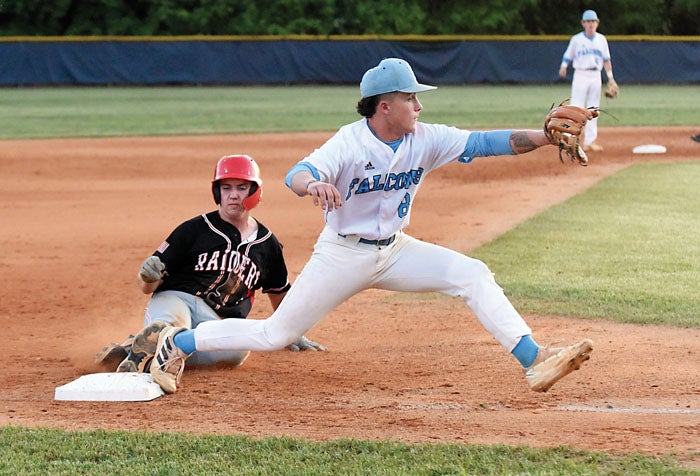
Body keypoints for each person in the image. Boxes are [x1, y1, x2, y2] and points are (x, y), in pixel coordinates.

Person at [149, 58, 594, 395]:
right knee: (276, 333)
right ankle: (179, 343)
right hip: (343, 254)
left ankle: (534, 361)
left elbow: (484, 142)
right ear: (385, 106)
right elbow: (297, 173)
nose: (419, 105)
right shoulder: (350, 141)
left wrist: (542, 135)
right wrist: (315, 186)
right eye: (410, 98)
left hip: (395, 250)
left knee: (471, 273)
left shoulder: (425, 137)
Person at [96, 154, 325, 373]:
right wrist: (146, 278)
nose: (233, 195)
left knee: (236, 353)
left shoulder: (268, 245)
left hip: (219, 321)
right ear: (217, 192)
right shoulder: (194, 229)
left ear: (255, 192)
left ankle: (136, 351)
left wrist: (292, 332)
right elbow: (149, 288)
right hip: (177, 299)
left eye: (241, 187)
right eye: (226, 188)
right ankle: (152, 345)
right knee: (171, 326)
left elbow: (279, 292)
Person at [558, 9, 617, 152]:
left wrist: (610, 78)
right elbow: (568, 55)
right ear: (583, 23)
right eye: (588, 21)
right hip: (581, 74)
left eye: (593, 21)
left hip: (595, 75)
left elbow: (606, 60)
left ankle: (590, 141)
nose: (591, 24)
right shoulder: (577, 39)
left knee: (593, 110)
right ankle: (568, 138)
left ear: (597, 23)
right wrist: (563, 66)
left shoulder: (601, 39)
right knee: (576, 108)